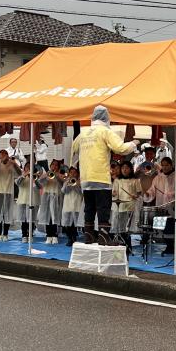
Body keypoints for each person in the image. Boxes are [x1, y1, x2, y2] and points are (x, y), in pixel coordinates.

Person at [69, 105, 138, 245]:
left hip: (86, 178)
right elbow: (121, 148)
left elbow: (74, 148)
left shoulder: (83, 133)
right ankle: (104, 238)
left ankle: (88, 237)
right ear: (106, 118)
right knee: (103, 208)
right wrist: (133, 143)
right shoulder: (105, 132)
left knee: (89, 208)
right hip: (100, 177)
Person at [144, 157, 176, 253]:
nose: (165, 167)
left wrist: (170, 194)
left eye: (167, 165)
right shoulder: (158, 178)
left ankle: (173, 246)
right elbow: (152, 190)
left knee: (171, 227)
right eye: (163, 165)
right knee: (163, 228)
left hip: (172, 206)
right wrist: (148, 194)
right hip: (161, 205)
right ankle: (168, 245)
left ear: (171, 165)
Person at [0, 149, 21, 241]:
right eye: (1, 155)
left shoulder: (11, 164)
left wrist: (14, 163)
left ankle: (6, 233)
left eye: (5, 154)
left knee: (7, 213)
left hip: (8, 192)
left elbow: (19, 173)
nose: (4, 156)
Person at [112, 160, 140, 246]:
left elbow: (139, 192)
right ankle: (123, 244)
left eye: (127, 168)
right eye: (123, 168)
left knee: (128, 228)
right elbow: (114, 192)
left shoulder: (135, 180)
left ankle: (128, 245)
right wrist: (114, 193)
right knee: (121, 227)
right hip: (120, 206)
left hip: (131, 206)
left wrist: (136, 195)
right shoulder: (117, 180)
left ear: (130, 169)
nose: (124, 170)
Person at [38, 159, 64, 245]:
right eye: (53, 165)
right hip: (47, 197)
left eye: (56, 165)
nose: (54, 166)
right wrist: (47, 174)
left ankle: (55, 236)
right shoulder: (47, 174)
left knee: (55, 217)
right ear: (50, 166)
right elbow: (40, 182)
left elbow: (62, 184)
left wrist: (57, 175)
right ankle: (48, 235)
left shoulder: (60, 175)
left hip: (56, 197)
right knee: (47, 217)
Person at [15, 161, 40, 243]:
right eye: (27, 166)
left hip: (32, 200)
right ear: (24, 168)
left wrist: (33, 178)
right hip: (23, 199)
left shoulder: (36, 176)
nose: (28, 168)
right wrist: (24, 175)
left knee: (31, 219)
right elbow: (17, 183)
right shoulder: (21, 175)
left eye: (30, 166)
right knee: (24, 219)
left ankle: (30, 235)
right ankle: (24, 235)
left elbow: (40, 186)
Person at [61, 166, 83, 247]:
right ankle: (69, 238)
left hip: (77, 205)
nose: (73, 174)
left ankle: (74, 238)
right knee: (67, 224)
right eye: (71, 172)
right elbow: (64, 191)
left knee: (74, 223)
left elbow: (81, 193)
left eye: (75, 172)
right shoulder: (66, 181)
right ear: (69, 173)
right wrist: (68, 183)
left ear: (77, 174)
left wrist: (77, 184)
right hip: (68, 205)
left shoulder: (80, 182)